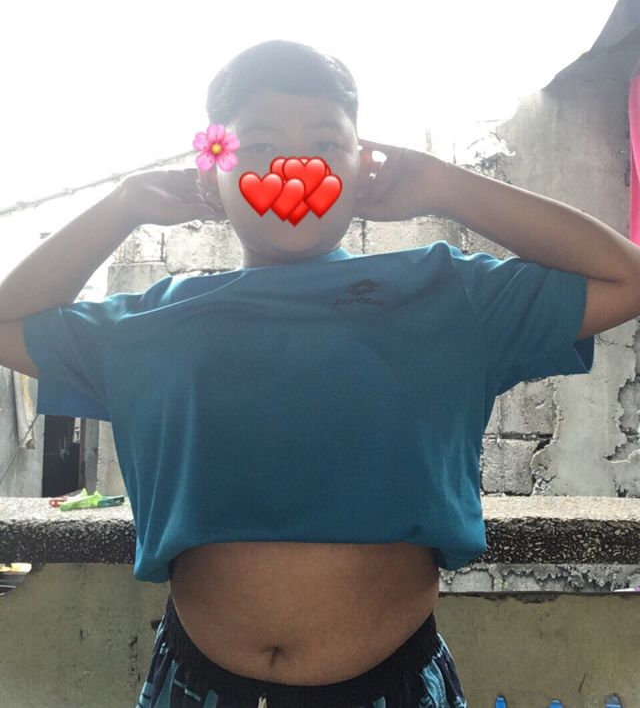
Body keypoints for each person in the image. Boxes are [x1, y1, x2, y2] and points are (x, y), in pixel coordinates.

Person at [0, 39, 600, 707]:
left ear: (361, 165)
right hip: (194, 684)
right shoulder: (154, 321)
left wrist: (446, 187)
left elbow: (623, 277)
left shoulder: (442, 293)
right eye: (257, 144)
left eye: (325, 142)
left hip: (392, 687)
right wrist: (124, 204)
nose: (293, 167)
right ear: (212, 172)